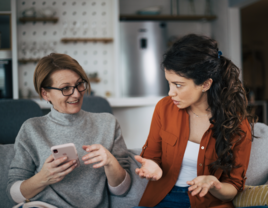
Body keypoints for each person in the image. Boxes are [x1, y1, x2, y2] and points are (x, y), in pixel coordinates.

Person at [133, 34, 263, 208]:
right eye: (169, 84)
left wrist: (214, 184)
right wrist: (152, 166)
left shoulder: (237, 124)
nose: (171, 92)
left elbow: (234, 186)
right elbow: (151, 156)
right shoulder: (164, 108)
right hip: (162, 198)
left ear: (205, 84)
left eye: (178, 85)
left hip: (208, 203)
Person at [7, 53, 131, 208]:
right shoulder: (32, 128)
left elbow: (122, 191)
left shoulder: (108, 123)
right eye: (65, 88)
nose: (77, 93)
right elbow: (13, 194)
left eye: (80, 84)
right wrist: (44, 178)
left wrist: (110, 162)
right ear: (45, 94)